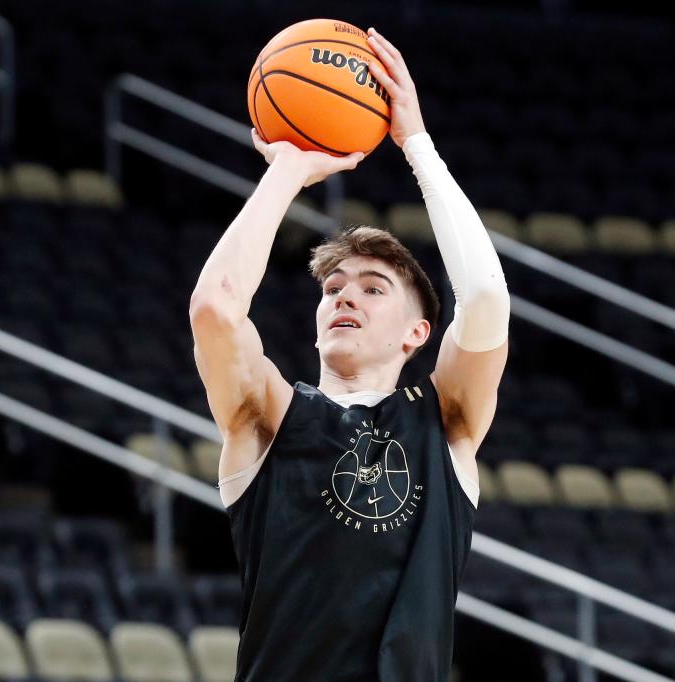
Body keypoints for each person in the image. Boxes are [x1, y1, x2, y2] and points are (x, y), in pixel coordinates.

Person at [188, 26, 510, 681]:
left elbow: (484, 299)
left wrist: (415, 144)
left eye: (372, 287)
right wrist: (288, 170)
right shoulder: (271, 418)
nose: (345, 297)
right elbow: (215, 307)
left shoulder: (444, 421)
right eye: (332, 287)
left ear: (417, 333)